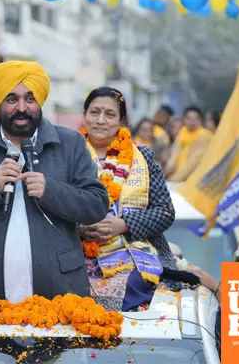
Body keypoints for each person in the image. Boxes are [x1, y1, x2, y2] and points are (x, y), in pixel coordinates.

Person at [0, 61, 109, 303]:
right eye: (11, 99)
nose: (22, 107)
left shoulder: (70, 143)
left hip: (60, 294)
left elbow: (97, 204)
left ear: (39, 100)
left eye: (30, 98)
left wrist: (51, 190)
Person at [78, 87, 177, 311]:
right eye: (94, 112)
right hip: (78, 254)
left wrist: (123, 225)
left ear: (122, 120)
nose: (101, 120)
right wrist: (81, 227)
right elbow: (51, 206)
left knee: (133, 288)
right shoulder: (67, 153)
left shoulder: (144, 156)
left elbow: (165, 212)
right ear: (84, 115)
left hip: (133, 255)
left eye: (110, 114)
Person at [165, 106, 213, 182]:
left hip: (192, 178)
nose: (192, 121)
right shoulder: (182, 132)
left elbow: (193, 162)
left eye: (195, 119)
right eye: (189, 118)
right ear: (184, 119)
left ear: (200, 120)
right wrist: (169, 168)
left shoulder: (205, 136)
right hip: (177, 174)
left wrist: (175, 178)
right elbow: (175, 154)